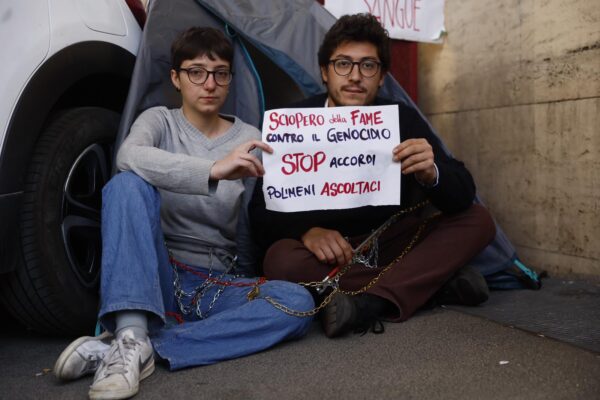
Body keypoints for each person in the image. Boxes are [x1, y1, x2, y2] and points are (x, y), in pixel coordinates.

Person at [53, 27, 314, 399]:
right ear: (176, 78)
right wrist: (212, 170)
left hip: (215, 282)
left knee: (297, 304)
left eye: (219, 73)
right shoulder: (159, 121)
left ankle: (138, 345)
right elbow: (128, 156)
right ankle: (131, 329)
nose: (208, 83)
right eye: (196, 71)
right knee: (127, 184)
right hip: (155, 276)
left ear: (229, 81)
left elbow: (269, 211)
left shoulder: (252, 138)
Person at [250, 14, 496, 338]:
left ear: (381, 77)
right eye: (343, 64)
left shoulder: (401, 120)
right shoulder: (293, 124)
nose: (355, 76)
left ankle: (368, 303)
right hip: (328, 256)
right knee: (279, 259)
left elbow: (462, 191)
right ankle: (431, 286)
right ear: (324, 71)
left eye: (368, 66)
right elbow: (259, 211)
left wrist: (431, 172)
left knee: (478, 220)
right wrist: (308, 231)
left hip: (392, 242)